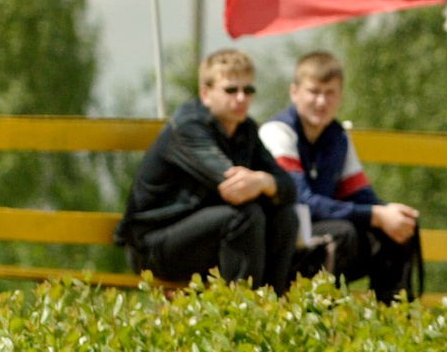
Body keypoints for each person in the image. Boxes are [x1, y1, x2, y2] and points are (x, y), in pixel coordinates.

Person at [118, 48, 300, 293]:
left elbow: (288, 189)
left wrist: (263, 179)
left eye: (248, 90)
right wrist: (263, 183)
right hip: (153, 248)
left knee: (285, 217)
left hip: (207, 236)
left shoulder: (245, 129)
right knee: (245, 216)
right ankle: (240, 315)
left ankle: (270, 311)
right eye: (230, 90)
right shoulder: (188, 128)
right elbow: (233, 185)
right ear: (206, 94)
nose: (241, 98)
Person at [260, 50, 421, 303]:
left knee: (396, 231)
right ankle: (320, 319)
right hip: (280, 247)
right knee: (344, 233)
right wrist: (376, 215)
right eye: (314, 91)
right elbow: (302, 201)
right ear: (295, 93)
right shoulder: (277, 132)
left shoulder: (338, 137)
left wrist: (390, 214)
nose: (321, 101)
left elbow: (361, 194)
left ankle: (396, 322)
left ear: (340, 96)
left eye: (330, 93)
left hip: (320, 237)